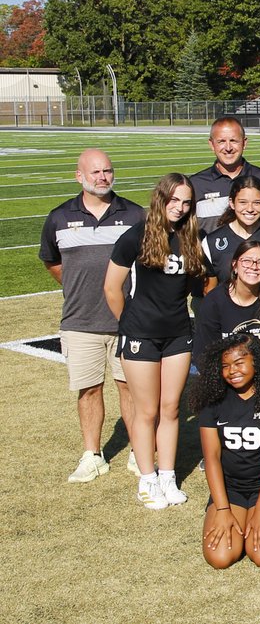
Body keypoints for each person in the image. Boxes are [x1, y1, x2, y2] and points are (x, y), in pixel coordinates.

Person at [40, 148, 143, 483]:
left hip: (127, 320)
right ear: (79, 176)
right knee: (88, 389)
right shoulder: (58, 217)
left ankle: (139, 452)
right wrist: (78, 286)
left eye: (108, 171)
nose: (103, 178)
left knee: (130, 388)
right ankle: (92, 454)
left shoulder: (135, 215)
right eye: (95, 172)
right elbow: (53, 262)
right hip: (80, 320)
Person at [104, 173, 205, 509]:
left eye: (186, 202)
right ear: (160, 199)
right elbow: (111, 288)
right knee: (146, 411)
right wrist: (130, 323)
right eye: (173, 200)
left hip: (178, 334)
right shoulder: (136, 235)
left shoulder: (192, 237)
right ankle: (147, 480)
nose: (179, 207)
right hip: (140, 336)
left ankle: (167, 476)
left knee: (170, 408)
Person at [192, 334, 260, 569]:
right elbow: (212, 458)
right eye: (225, 366)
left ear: (256, 362)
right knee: (220, 557)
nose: (232, 371)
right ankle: (233, 511)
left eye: (239, 363)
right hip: (231, 488)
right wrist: (223, 509)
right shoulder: (213, 402)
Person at [195, 239, 260, 391]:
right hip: (228, 387)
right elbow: (205, 355)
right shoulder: (214, 302)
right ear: (234, 266)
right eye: (247, 261)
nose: (254, 267)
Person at [192, 116, 260, 234]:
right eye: (221, 141)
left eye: (233, 141)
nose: (228, 148)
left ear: (244, 143)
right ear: (212, 145)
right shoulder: (196, 184)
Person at [200, 174, 260, 293]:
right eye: (243, 202)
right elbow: (210, 291)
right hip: (228, 311)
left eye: (257, 202)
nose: (250, 209)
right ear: (232, 203)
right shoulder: (211, 242)